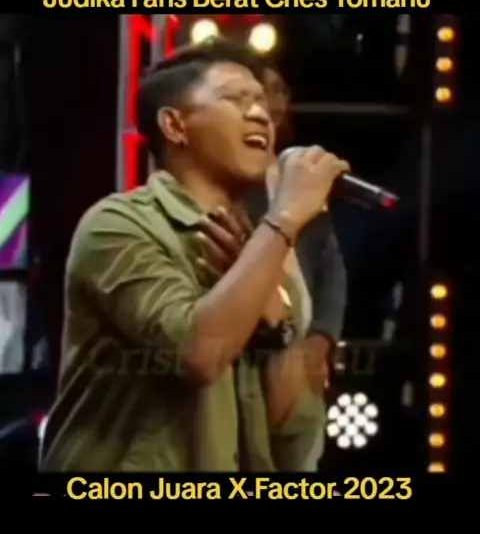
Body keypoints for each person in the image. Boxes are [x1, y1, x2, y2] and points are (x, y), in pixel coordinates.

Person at [39, 38, 349, 472]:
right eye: (235, 99)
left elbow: (291, 437)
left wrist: (275, 328)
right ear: (174, 125)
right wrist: (284, 219)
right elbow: (197, 355)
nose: (261, 114)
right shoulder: (118, 225)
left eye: (261, 101)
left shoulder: (262, 252)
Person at [196, 62, 348, 470]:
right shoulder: (225, 182)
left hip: (300, 354)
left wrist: (322, 339)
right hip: (247, 355)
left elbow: (331, 270)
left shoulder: (301, 177)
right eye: (251, 96)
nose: (269, 104)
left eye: (276, 92)